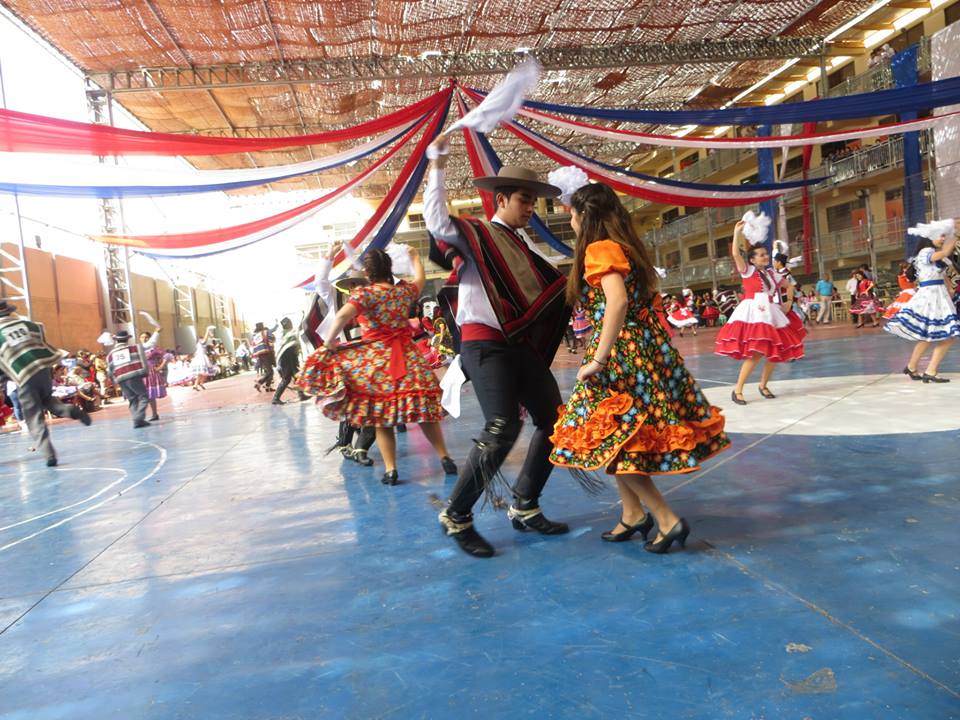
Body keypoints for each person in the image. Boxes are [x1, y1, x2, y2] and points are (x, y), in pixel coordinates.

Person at [550, 181, 729, 552]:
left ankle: (666, 518)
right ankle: (633, 514)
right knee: (622, 438)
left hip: (619, 357)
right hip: (643, 351)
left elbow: (615, 303)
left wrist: (598, 359)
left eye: (573, 211)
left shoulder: (600, 248)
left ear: (586, 215)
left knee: (613, 439)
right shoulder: (628, 246)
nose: (571, 217)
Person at [425, 135, 572, 559]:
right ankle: (456, 515)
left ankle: (525, 505)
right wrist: (437, 166)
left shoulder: (522, 247)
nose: (530, 209)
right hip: (484, 344)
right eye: (524, 200)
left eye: (534, 202)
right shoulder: (477, 236)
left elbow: (550, 293)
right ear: (501, 199)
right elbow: (436, 221)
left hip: (517, 346)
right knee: (502, 427)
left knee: (555, 422)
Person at [299, 247, 457, 485]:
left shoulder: (364, 295)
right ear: (389, 269)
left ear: (368, 272)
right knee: (424, 411)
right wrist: (415, 258)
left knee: (382, 418)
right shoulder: (403, 292)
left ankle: (391, 470)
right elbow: (421, 279)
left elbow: (342, 316)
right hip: (409, 357)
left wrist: (329, 342)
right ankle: (445, 457)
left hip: (377, 363)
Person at [714, 219, 805, 404]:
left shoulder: (773, 274)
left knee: (775, 352)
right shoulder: (747, 271)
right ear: (752, 259)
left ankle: (763, 385)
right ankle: (737, 390)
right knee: (755, 353)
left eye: (766, 254)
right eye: (761, 255)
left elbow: (789, 286)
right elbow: (735, 254)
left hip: (771, 312)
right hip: (752, 313)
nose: (765, 257)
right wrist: (736, 233)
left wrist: (787, 303)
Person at [0, 300, 92, 465]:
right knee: (47, 399)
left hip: (23, 374)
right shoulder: (27, 325)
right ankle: (71, 410)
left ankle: (49, 453)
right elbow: (40, 336)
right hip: (43, 370)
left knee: (33, 416)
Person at [885, 219, 959, 382]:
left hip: (937, 295)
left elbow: (943, 274)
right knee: (949, 335)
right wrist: (954, 235)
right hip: (930, 296)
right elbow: (945, 254)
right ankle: (930, 371)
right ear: (929, 237)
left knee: (927, 335)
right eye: (939, 236)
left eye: (943, 236)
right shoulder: (926, 252)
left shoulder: (933, 254)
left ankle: (912, 367)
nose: (942, 238)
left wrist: (950, 290)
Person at [106, 329, 151, 428]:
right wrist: (145, 372)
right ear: (127, 339)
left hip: (121, 379)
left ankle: (137, 420)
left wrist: (114, 381)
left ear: (117, 340)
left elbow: (109, 370)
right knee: (144, 396)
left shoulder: (110, 355)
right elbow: (143, 360)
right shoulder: (135, 348)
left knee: (132, 400)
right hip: (134, 376)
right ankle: (138, 418)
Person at [272, 317, 309, 405]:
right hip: (289, 356)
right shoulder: (291, 332)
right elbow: (291, 346)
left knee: (295, 377)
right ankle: (276, 398)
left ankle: (301, 395)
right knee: (288, 378)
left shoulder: (283, 334)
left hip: (286, 357)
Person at [139, 328, 168, 421]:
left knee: (150, 395)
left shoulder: (154, 348)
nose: (144, 339)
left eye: (146, 337)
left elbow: (166, 356)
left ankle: (154, 414)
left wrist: (160, 367)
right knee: (142, 395)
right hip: (141, 373)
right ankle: (141, 415)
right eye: (142, 337)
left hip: (151, 372)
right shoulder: (139, 348)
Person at [251, 322, 275, 392]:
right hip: (267, 354)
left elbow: (253, 344)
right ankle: (260, 383)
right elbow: (271, 339)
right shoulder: (265, 332)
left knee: (269, 371)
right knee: (270, 371)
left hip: (260, 355)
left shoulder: (254, 335)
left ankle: (268, 386)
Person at [190, 327, 216, 391]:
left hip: (202, 358)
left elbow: (207, 341)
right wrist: (207, 330)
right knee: (201, 372)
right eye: (201, 339)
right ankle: (196, 385)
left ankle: (199, 384)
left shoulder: (202, 344)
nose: (203, 340)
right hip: (201, 359)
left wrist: (210, 335)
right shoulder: (200, 343)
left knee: (204, 373)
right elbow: (205, 339)